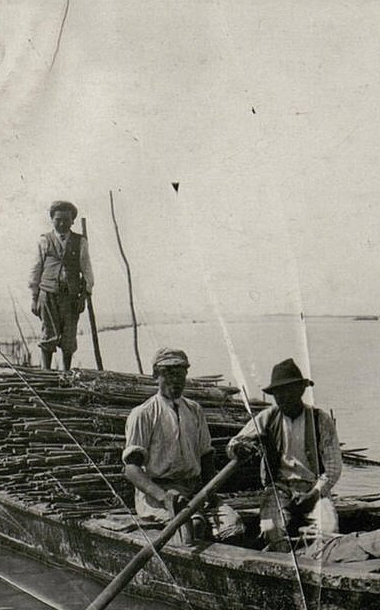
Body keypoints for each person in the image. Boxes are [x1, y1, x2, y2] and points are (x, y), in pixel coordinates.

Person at [122, 347, 241, 541]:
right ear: (155, 375)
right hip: (158, 494)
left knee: (233, 525)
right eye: (168, 373)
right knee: (192, 526)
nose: (175, 380)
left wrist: (210, 492)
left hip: (195, 491)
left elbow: (206, 455)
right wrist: (163, 496)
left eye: (180, 374)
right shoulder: (143, 413)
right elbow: (131, 469)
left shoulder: (194, 410)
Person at [226, 358, 343, 552]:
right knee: (270, 528)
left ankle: (317, 562)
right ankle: (283, 563)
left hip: (312, 488)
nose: (281, 398)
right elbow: (234, 444)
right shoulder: (268, 417)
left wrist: (314, 493)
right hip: (278, 489)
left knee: (329, 529)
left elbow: (333, 467)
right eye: (277, 393)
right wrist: (239, 448)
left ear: (300, 390)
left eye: (287, 391)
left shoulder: (320, 420)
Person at [29, 200, 94, 370]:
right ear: (52, 220)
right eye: (58, 219)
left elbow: (86, 270)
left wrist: (84, 296)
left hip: (71, 297)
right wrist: (34, 298)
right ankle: (46, 374)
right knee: (48, 334)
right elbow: (36, 269)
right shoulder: (44, 240)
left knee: (69, 337)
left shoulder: (80, 242)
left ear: (73, 221)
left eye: (66, 219)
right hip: (48, 294)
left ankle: (65, 374)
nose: (62, 223)